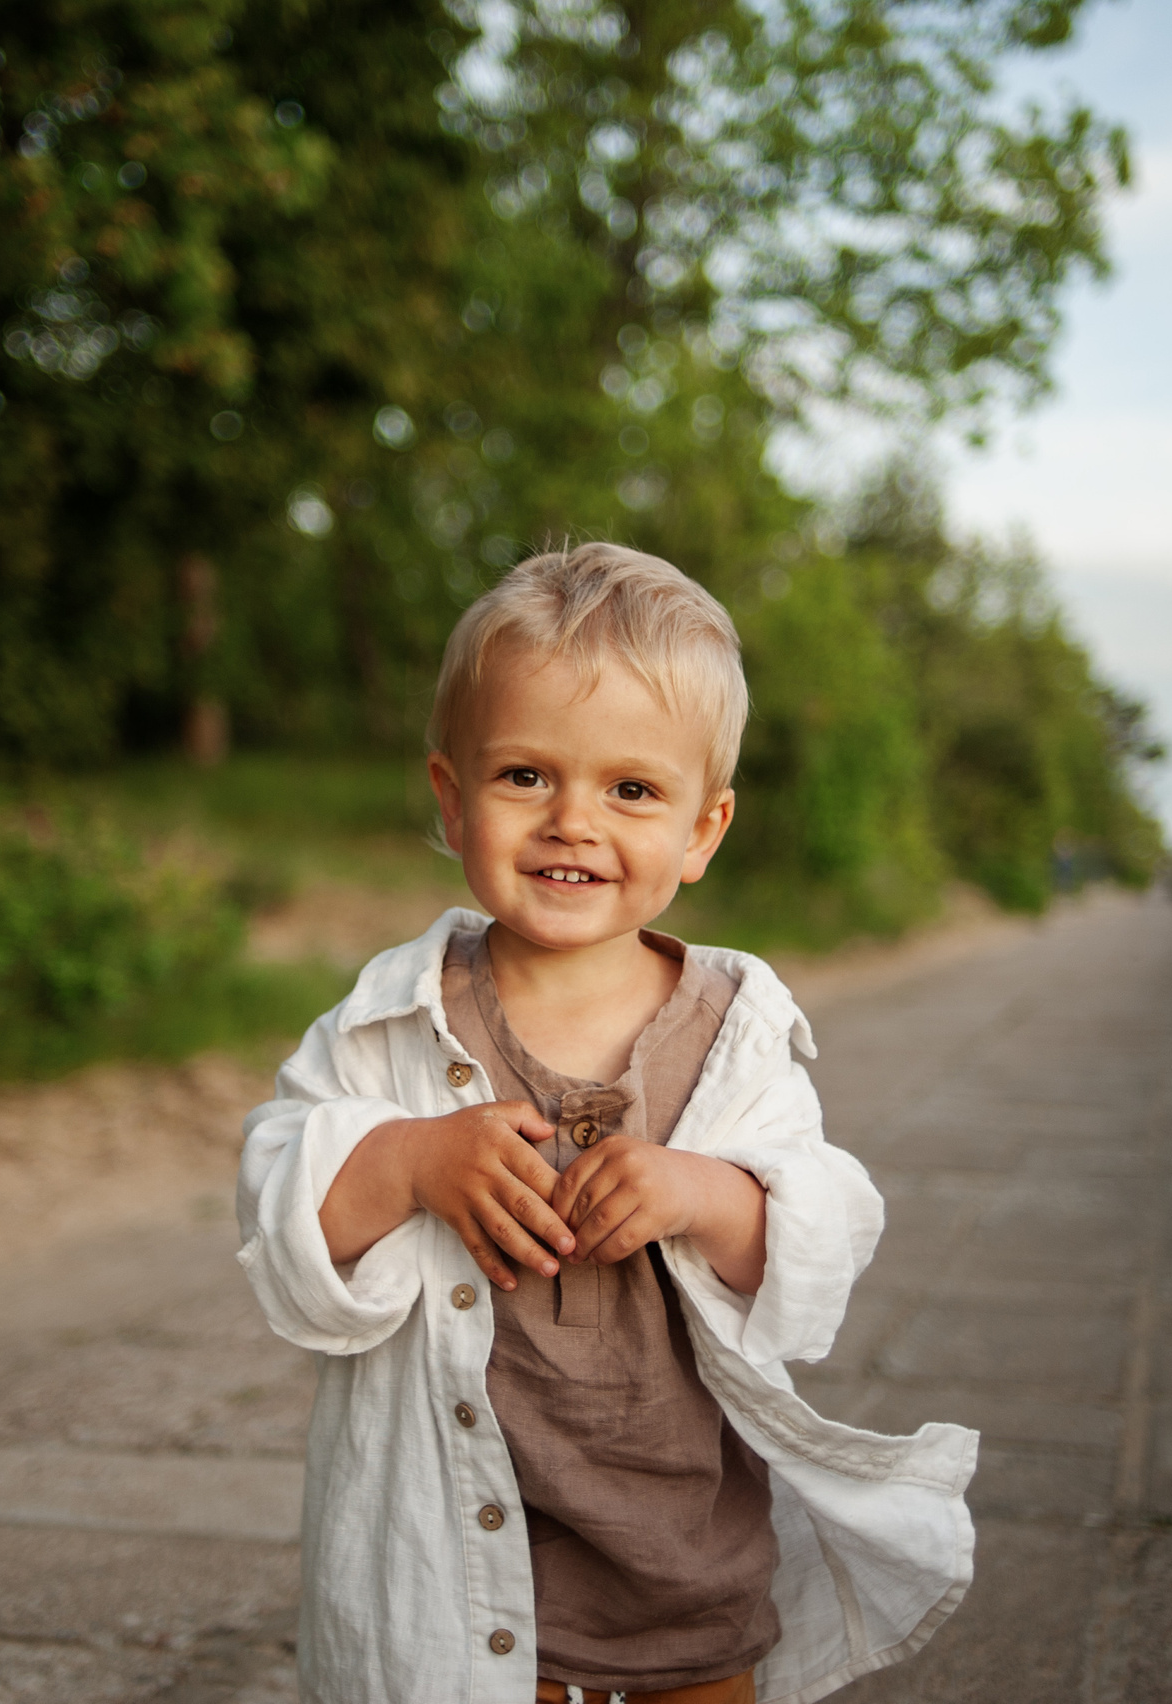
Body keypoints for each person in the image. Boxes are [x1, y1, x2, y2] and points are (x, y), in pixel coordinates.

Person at [237, 545, 978, 1704]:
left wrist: (704, 1193)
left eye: (630, 791)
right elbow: (281, 1196)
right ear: (451, 799)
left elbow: (821, 1231)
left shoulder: (731, 1030)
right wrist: (411, 1161)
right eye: (525, 776)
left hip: (687, 1561)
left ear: (702, 830)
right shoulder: (394, 1016)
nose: (572, 823)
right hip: (458, 1570)